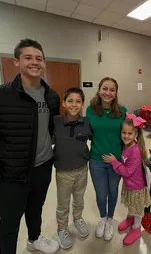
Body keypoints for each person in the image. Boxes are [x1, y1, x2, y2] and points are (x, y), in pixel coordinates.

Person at [0, 39, 60, 254]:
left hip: (43, 168)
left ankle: (34, 240)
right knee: (9, 224)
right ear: (16, 61)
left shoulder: (52, 96)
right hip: (11, 175)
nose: (34, 62)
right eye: (28, 57)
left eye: (39, 58)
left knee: (35, 210)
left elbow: (52, 128)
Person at [86, 77, 127, 241]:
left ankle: (110, 220)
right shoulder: (91, 110)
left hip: (116, 161)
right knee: (101, 194)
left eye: (112, 90)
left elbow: (128, 136)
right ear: (99, 89)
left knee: (112, 191)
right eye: (105, 88)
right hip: (96, 160)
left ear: (116, 92)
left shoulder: (122, 111)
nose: (108, 93)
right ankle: (102, 218)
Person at [103, 113, 151, 246]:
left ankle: (136, 228)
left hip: (137, 186)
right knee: (132, 205)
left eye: (130, 133)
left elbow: (127, 172)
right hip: (130, 184)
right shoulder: (127, 146)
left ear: (136, 134)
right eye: (124, 132)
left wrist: (114, 161)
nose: (126, 136)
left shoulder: (135, 151)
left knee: (137, 208)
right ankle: (130, 218)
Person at [53, 87, 91, 249]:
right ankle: (62, 227)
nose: (74, 104)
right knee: (63, 202)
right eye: (70, 101)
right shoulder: (56, 122)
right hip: (63, 172)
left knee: (79, 198)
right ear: (63, 103)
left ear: (83, 105)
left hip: (82, 170)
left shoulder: (87, 123)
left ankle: (77, 218)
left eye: (78, 101)